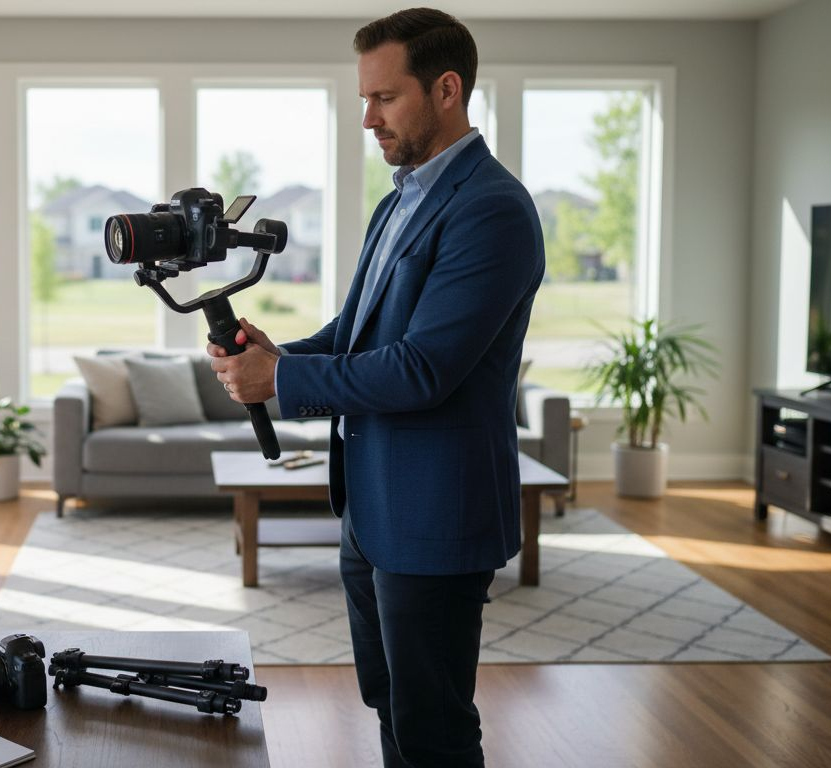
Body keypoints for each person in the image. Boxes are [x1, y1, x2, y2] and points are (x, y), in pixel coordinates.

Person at [208, 8, 544, 767]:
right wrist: (277, 353)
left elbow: (424, 367)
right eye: (364, 99)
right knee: (389, 701)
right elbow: (359, 334)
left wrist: (283, 380)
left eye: (384, 98)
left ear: (448, 88)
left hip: (436, 515)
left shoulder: (491, 209)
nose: (367, 119)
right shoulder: (399, 201)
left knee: (433, 725)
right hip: (371, 509)